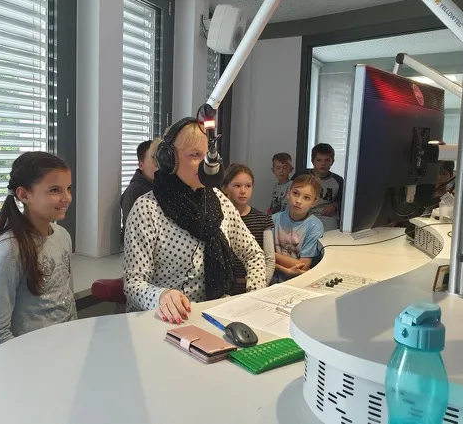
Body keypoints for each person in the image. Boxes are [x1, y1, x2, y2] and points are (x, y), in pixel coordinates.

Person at [123, 118, 271, 323]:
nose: (206, 164)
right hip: (160, 320)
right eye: (195, 155)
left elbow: (254, 254)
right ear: (169, 159)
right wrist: (161, 296)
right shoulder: (147, 208)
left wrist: (253, 298)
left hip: (211, 316)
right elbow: (133, 283)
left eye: (208, 155)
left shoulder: (219, 200)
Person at [0, 151, 76, 350]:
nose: (66, 198)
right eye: (54, 190)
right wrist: (32, 362)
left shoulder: (62, 236)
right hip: (33, 359)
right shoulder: (8, 250)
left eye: (68, 189)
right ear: (24, 195)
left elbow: (66, 302)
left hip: (66, 349)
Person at [222, 163, 275, 295]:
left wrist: (260, 288)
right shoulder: (217, 218)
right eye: (237, 186)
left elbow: (269, 259)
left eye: (248, 186)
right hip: (222, 288)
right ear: (225, 188)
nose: (243, 191)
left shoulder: (262, 219)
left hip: (253, 287)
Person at [271, 174, 324, 283]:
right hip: (270, 280)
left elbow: (303, 265)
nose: (299, 201)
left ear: (314, 202)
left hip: (298, 282)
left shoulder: (315, 226)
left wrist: (270, 254)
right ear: (288, 193)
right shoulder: (273, 219)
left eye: (306, 198)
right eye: (295, 193)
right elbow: (260, 258)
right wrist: (285, 270)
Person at [294, 143, 344, 231]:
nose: (323, 164)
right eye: (319, 160)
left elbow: (343, 201)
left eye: (327, 160)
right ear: (313, 161)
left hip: (325, 217)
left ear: (332, 162)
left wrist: (335, 206)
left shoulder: (338, 180)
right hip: (302, 213)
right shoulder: (301, 175)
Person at [120, 139, 161, 238]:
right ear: (141, 165)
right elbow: (131, 234)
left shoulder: (164, 187)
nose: (159, 164)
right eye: (154, 159)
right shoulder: (133, 193)